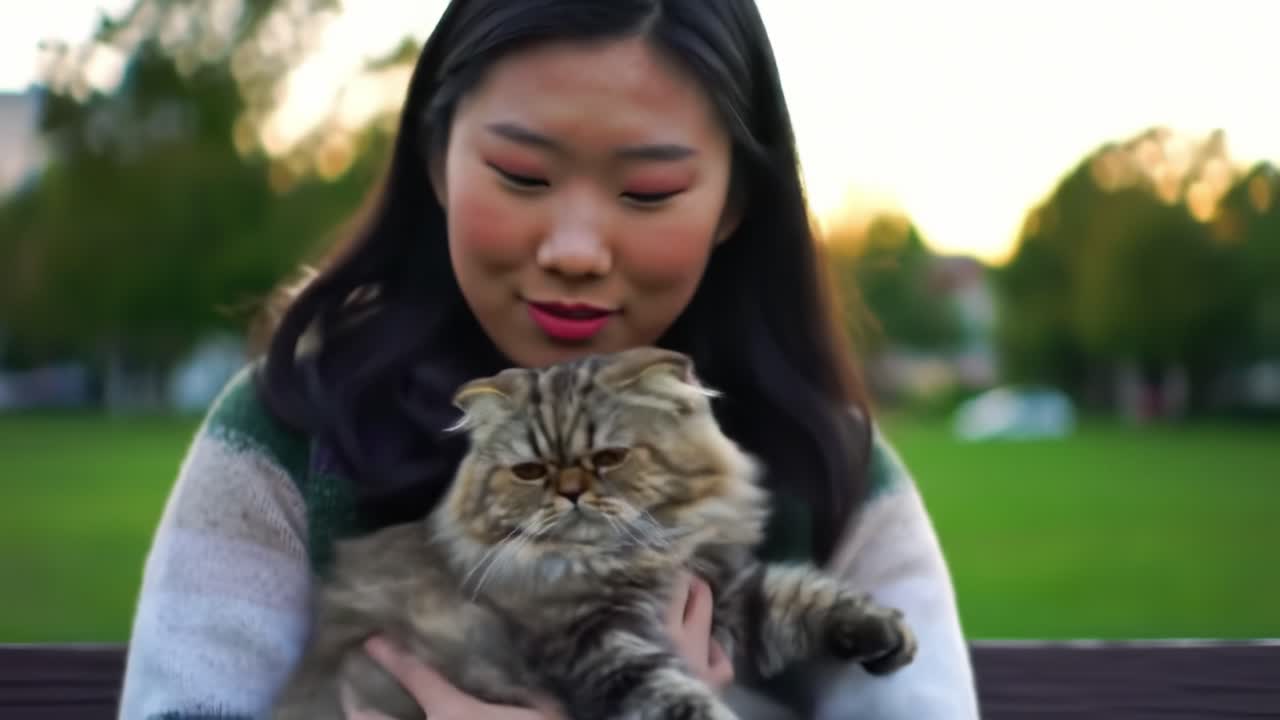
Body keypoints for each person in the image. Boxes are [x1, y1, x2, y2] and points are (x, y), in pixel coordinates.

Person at [118, 1, 979, 718]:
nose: (574, 249)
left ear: (733, 203)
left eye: (646, 192)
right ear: (436, 161)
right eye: (522, 174)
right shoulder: (287, 431)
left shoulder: (830, 469)